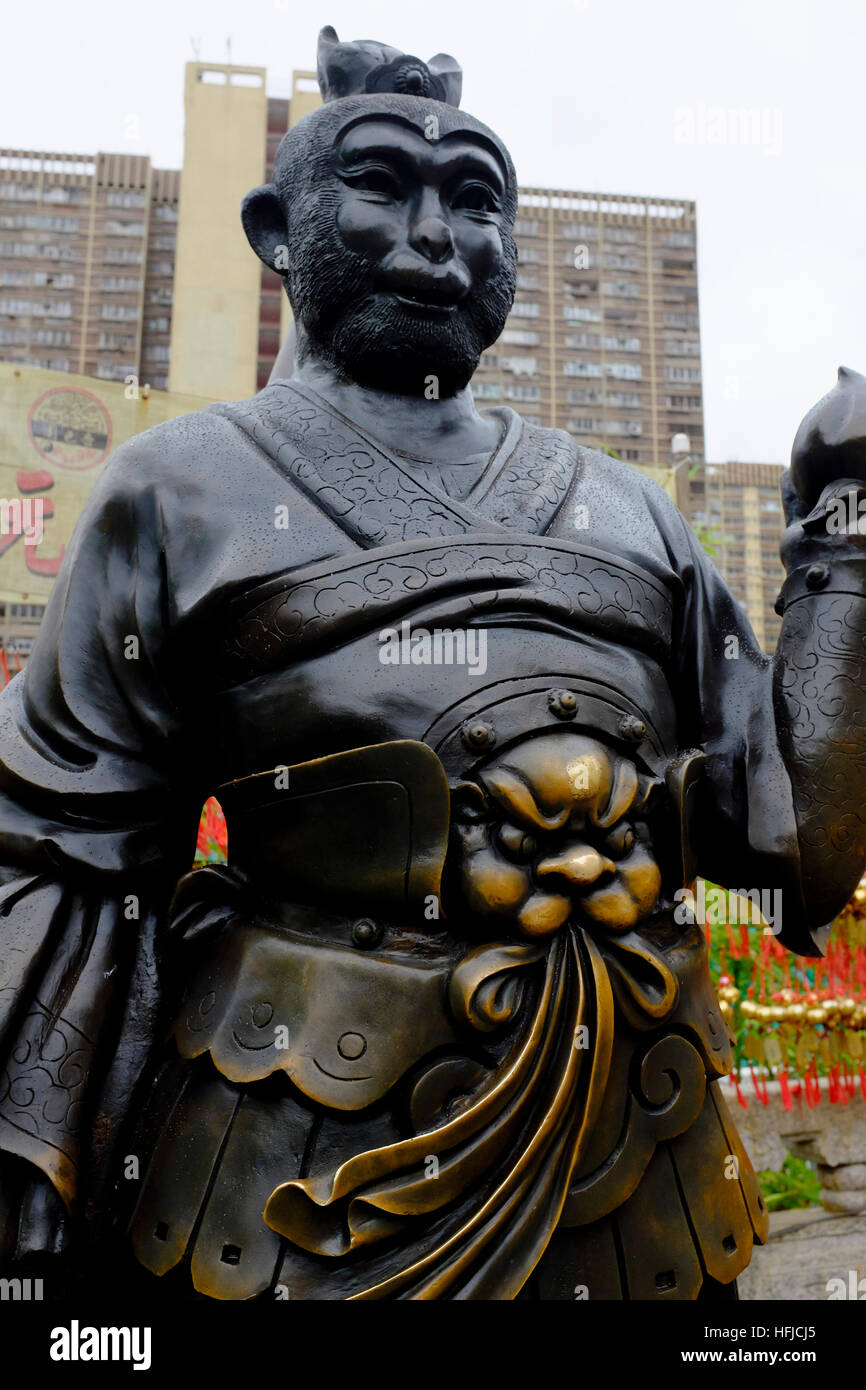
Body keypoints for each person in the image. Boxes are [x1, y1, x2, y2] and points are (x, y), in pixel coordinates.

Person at [1, 27, 865, 1300]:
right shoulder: (175, 488)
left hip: (642, 1177)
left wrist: (840, 549)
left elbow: (788, 851)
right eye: (378, 186)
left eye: (474, 200)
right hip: (292, 1167)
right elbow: (61, 853)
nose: (432, 233)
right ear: (274, 229)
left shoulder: (631, 510)